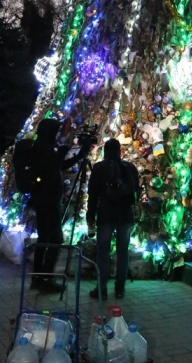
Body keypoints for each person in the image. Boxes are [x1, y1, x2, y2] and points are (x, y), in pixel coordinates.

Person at [29, 118, 87, 292]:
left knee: (44, 238)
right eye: (56, 130)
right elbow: (51, 170)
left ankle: (37, 278)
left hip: (44, 199)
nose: (59, 134)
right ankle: (46, 278)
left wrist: (79, 155)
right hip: (48, 200)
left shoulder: (43, 145)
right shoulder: (43, 148)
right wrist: (62, 153)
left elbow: (59, 166)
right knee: (55, 239)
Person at [87, 138, 140, 300]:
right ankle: (120, 288)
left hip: (105, 214)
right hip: (125, 215)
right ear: (120, 151)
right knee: (123, 252)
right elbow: (136, 191)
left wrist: (91, 215)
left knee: (103, 252)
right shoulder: (130, 168)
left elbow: (93, 194)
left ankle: (102, 288)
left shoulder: (99, 168)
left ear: (105, 151)